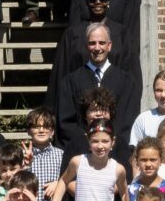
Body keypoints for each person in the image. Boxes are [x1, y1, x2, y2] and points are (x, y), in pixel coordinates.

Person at [54, 22, 142, 156]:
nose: (97, 48)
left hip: (116, 155)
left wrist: (109, 143)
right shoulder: (71, 81)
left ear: (109, 45)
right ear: (86, 46)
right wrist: (89, 143)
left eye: (101, 43)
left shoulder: (126, 82)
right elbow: (66, 122)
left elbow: (127, 120)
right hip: (81, 154)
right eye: (92, 43)